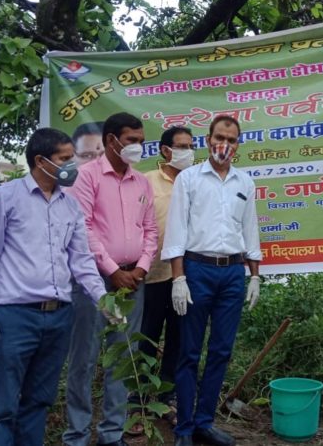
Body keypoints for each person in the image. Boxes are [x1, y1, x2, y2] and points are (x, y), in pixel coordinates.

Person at [0, 128, 111, 446]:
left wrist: (103, 298)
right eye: (64, 159)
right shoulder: (4, 198)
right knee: (3, 404)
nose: (72, 166)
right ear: (41, 161)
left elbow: (82, 262)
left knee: (39, 401)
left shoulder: (70, 207)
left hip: (59, 317)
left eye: (72, 158)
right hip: (16, 316)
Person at [161, 115, 261, 446]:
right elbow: (176, 228)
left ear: (238, 145)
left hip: (232, 272)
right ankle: (184, 428)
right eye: (220, 137)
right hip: (197, 270)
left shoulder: (245, 183)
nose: (225, 145)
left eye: (231, 140)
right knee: (189, 352)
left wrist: (254, 275)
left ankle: (205, 422)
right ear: (208, 140)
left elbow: (250, 230)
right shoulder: (188, 179)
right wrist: (178, 278)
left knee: (220, 351)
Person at [64, 112, 157, 446]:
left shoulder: (142, 182)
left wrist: (141, 267)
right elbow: (83, 227)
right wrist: (112, 270)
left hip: (133, 281)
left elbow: (150, 230)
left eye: (141, 141)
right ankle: (76, 434)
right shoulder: (85, 177)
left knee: (124, 359)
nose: (138, 147)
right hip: (94, 281)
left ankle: (111, 433)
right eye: (132, 140)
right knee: (84, 357)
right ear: (111, 141)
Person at [127, 126, 195, 427]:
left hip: (188, 275)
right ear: (166, 150)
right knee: (146, 337)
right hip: (152, 274)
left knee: (179, 340)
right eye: (182, 146)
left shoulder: (195, 181)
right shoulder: (146, 182)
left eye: (191, 146)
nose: (188, 152)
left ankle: (166, 399)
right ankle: (137, 401)